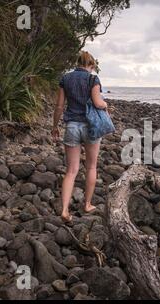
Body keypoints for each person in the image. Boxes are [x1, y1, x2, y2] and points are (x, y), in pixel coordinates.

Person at [52, 51, 108, 223]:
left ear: (77, 63)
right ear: (91, 65)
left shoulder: (65, 78)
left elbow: (60, 106)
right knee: (91, 167)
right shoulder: (93, 79)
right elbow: (98, 103)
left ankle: (64, 210)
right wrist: (106, 104)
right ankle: (87, 204)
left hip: (72, 126)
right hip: (90, 127)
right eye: (93, 67)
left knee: (71, 171)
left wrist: (54, 126)